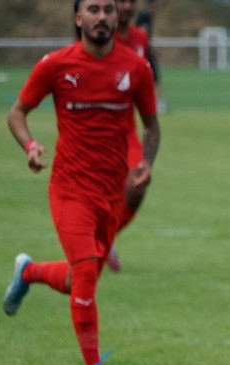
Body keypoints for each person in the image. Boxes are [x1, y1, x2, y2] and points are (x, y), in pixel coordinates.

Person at [3, 0, 160, 365]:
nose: (102, 16)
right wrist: (30, 146)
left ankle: (29, 271)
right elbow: (17, 113)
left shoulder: (135, 67)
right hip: (69, 189)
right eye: (93, 9)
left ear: (115, 17)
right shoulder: (55, 65)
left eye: (108, 9)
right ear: (78, 18)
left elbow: (151, 125)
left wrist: (146, 161)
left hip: (111, 194)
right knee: (87, 270)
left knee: (78, 281)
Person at [103, 0, 153, 273]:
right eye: (120, 1)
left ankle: (106, 238)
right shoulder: (99, 35)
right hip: (98, 130)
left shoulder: (140, 38)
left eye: (131, 1)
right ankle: (97, 242)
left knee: (137, 186)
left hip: (127, 129)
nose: (125, 6)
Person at [135, 0, 167, 114]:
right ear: (152, 4)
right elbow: (142, 34)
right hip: (143, 52)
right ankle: (160, 104)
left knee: (151, 78)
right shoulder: (145, 16)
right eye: (156, 4)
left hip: (144, 50)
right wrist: (147, 50)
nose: (157, 6)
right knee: (154, 78)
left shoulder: (146, 15)